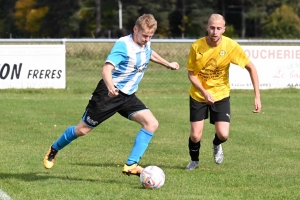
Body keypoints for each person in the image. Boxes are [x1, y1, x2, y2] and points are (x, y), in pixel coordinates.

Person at [43, 14, 180, 176]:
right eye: (144, 36)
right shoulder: (123, 45)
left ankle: (131, 164)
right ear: (135, 29)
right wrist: (110, 87)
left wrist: (168, 64)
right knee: (82, 130)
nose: (147, 39)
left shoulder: (145, 43)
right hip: (108, 95)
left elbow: (149, 53)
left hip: (127, 96)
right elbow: (106, 69)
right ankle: (54, 149)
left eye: (150, 36)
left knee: (151, 123)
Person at [185, 14, 261, 170]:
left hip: (221, 94)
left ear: (224, 29)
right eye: (212, 28)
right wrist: (205, 93)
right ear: (207, 27)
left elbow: (251, 68)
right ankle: (194, 161)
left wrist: (257, 96)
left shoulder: (231, 46)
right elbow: (191, 74)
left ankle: (216, 143)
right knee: (195, 136)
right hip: (199, 95)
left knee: (223, 134)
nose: (214, 31)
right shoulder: (197, 46)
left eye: (218, 28)